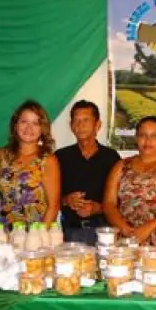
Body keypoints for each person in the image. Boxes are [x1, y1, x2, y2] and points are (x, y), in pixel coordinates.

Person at [103, 116, 156, 250]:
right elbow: (108, 204)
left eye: (154, 136)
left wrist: (148, 228)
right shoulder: (121, 166)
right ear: (136, 138)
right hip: (128, 241)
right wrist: (123, 228)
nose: (148, 141)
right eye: (143, 135)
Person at [54, 100, 121, 245]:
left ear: (98, 125)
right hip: (70, 232)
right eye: (76, 121)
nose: (80, 125)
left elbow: (121, 200)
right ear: (71, 126)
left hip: (104, 232)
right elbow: (48, 198)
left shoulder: (111, 157)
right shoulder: (60, 157)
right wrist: (66, 200)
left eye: (86, 120)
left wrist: (98, 208)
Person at [0, 100, 61, 229]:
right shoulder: (1, 155)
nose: (29, 128)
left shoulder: (48, 160)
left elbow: (53, 206)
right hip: (3, 236)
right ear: (15, 124)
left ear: (42, 128)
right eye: (24, 122)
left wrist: (39, 239)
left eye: (35, 123)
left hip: (35, 236)